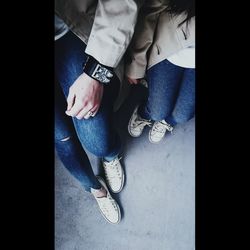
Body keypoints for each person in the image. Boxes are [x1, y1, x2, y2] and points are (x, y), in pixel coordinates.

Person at [55, 0, 141, 224]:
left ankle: (110, 154)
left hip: (72, 25)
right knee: (61, 138)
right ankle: (96, 189)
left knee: (96, 138)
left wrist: (96, 71)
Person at [126, 0, 195, 143]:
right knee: (157, 111)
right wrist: (137, 62)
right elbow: (150, 13)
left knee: (182, 115)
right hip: (169, 51)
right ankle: (144, 113)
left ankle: (166, 121)